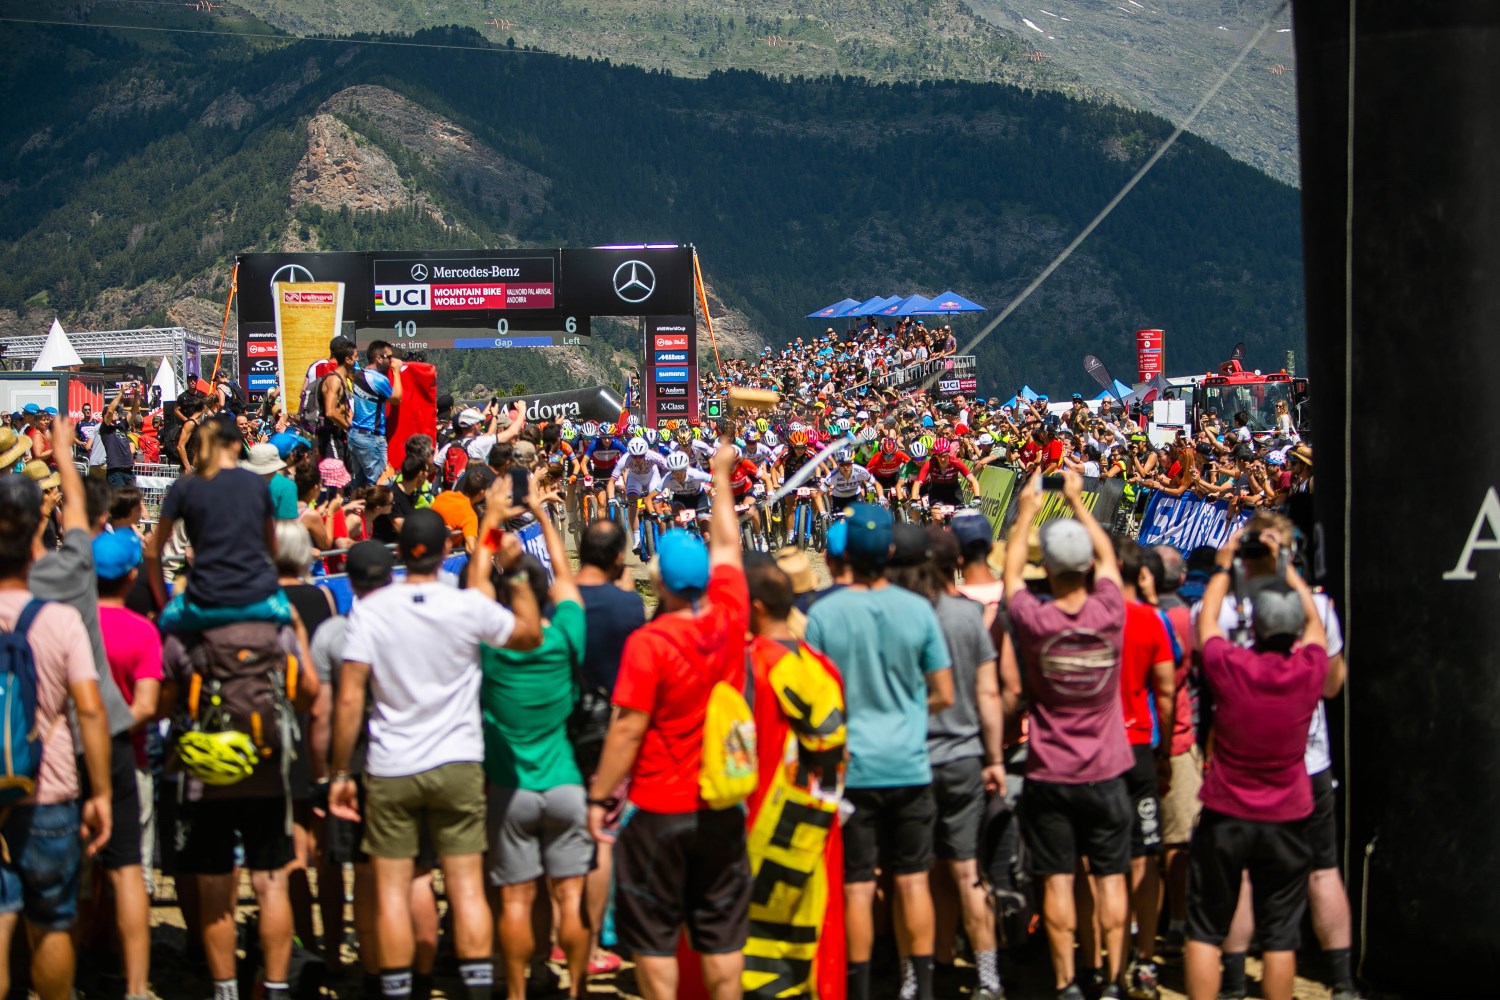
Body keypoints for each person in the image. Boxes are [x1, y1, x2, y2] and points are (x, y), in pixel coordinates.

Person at [329, 496, 542, 1000]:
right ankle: (476, 988)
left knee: (394, 888)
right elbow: (531, 634)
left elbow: (350, 696)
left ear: (400, 551)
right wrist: (513, 571)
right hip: (459, 761)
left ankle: (400, 989)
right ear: (446, 547)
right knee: (466, 886)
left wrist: (340, 774)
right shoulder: (467, 603)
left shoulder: (371, 608)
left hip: (390, 763)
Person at [585, 443, 752, 1000]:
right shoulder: (731, 615)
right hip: (721, 802)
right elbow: (728, 544)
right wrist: (723, 475)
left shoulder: (650, 642)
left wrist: (599, 796)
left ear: (659, 584)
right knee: (723, 933)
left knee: (653, 938)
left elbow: (628, 727)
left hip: (660, 802)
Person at [1196, 511, 1355, 1000]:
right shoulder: (1316, 612)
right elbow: (1331, 685)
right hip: (1304, 765)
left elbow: (1202, 641)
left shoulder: (1221, 608)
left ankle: (1236, 980)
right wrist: (1293, 575)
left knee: (1238, 880)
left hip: (1237, 768)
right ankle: (1342, 979)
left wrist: (1226, 568)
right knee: (1321, 871)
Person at [805, 503, 954, 1000]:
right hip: (909, 764)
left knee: (858, 884)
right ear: (889, 550)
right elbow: (945, 693)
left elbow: (813, 695)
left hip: (853, 768)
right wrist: (909, 709)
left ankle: (860, 984)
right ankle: (921, 982)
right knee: (913, 879)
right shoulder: (918, 609)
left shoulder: (823, 614)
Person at [1003, 471, 1132, 1000]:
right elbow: (1108, 561)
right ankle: (1112, 979)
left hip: (1050, 770)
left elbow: (1010, 575)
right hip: (1107, 768)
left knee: (1056, 881)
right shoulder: (1109, 609)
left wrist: (1027, 510)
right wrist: (1081, 503)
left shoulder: (1034, 618)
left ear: (1048, 568)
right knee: (1109, 880)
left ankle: (1065, 983)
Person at [0, 474, 113, 1000]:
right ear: (32, 547)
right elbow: (89, 710)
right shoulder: (60, 620)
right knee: (50, 922)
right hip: (49, 791)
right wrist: (103, 793)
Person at [481, 488, 592, 999]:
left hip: (511, 787)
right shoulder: (565, 634)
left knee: (517, 903)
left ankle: (519, 992)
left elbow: (477, 581)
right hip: (566, 783)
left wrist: (492, 520)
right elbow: (566, 577)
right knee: (571, 900)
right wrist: (545, 514)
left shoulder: (491, 645)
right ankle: (576, 988)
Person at [921, 526, 1005, 1000]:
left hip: (917, 757)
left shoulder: (908, 613)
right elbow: (991, 693)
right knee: (967, 869)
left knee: (926, 870)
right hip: (965, 754)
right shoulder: (972, 615)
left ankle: (930, 967)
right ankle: (988, 975)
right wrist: (993, 757)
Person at [571, 519, 644, 975]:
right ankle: (596, 936)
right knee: (602, 834)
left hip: (564, 725)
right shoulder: (629, 607)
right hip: (611, 727)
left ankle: (564, 932)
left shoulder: (561, 600)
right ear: (619, 557)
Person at [92, 529, 162, 1000]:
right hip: (128, 756)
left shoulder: (69, 624)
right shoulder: (143, 630)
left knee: (84, 872)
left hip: (76, 755)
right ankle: (132, 979)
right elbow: (147, 705)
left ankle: (87, 955)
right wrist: (115, 730)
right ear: (131, 575)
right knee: (131, 869)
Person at [347, 341, 403, 488]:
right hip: (371, 437)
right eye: (389, 357)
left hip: (355, 435)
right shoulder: (378, 379)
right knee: (381, 484)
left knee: (358, 486)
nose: (392, 361)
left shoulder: (360, 375)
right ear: (379, 358)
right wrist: (397, 372)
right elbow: (397, 398)